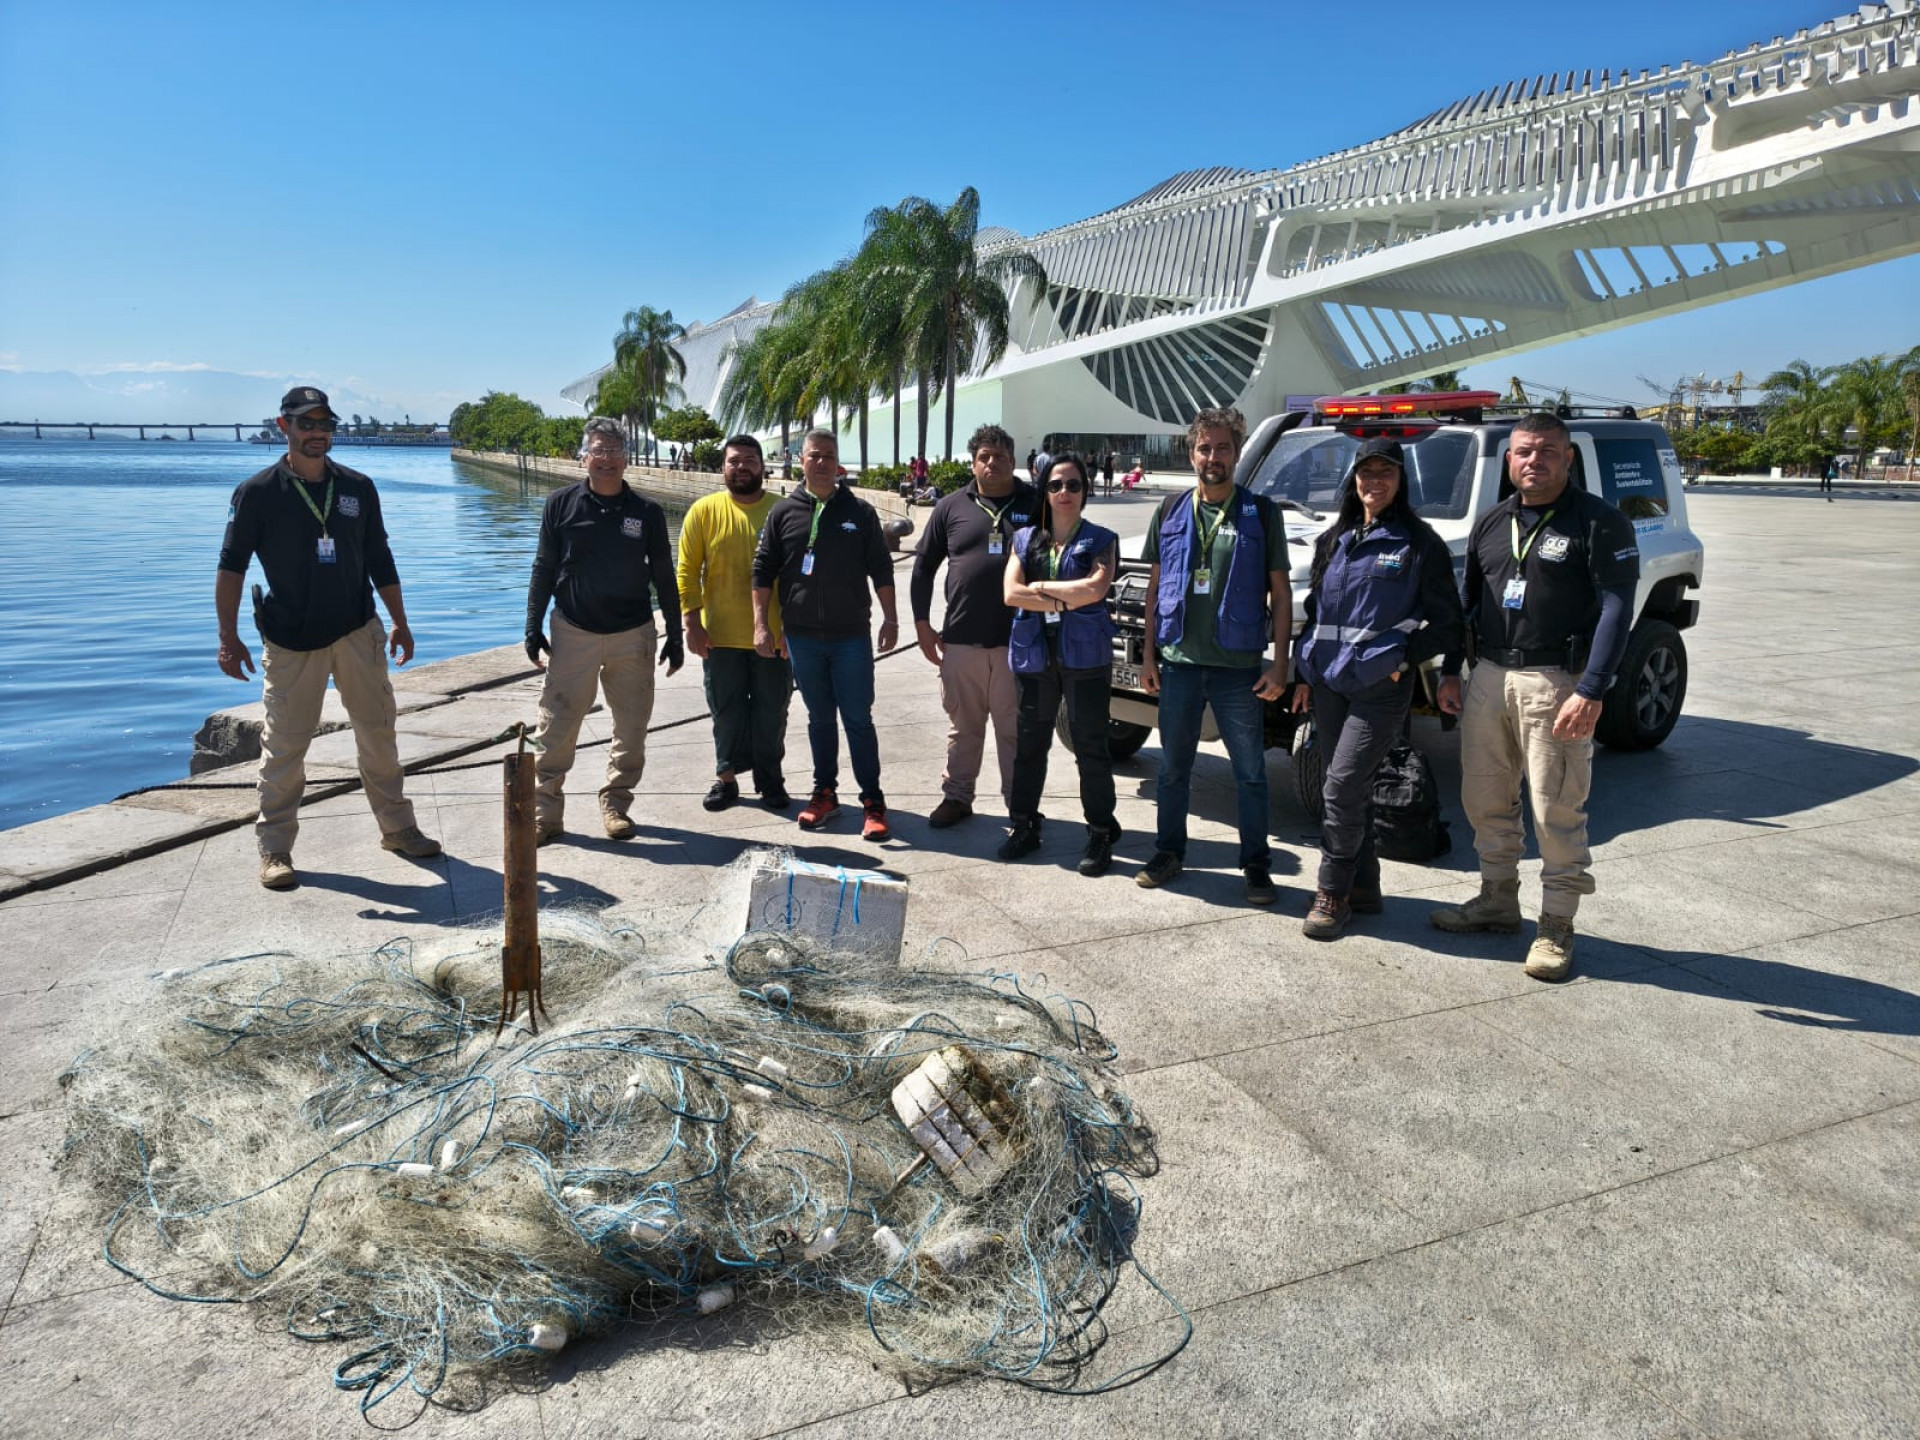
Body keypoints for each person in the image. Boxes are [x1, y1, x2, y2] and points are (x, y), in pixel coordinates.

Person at [1428, 412, 1640, 981]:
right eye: (1524, 451)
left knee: (1555, 809)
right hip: (1489, 678)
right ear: (1509, 460)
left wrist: (1593, 688)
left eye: (1547, 451)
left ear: (1568, 459)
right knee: (1484, 798)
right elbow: (1468, 605)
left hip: (1558, 684)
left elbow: (1619, 609)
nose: (1534, 460)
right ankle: (1498, 900)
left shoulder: (1599, 522)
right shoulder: (1493, 522)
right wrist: (1452, 670)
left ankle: (1556, 924)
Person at [215, 385, 441, 890]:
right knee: (286, 747)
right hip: (293, 640)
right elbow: (231, 568)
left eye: (325, 425)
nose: (317, 434)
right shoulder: (257, 493)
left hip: (358, 631)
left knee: (378, 733)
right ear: (284, 428)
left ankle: (398, 828)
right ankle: (275, 848)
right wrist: (228, 637)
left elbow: (380, 558)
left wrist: (400, 621)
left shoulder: (358, 488)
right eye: (307, 424)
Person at [1288, 438, 1464, 938]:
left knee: (1340, 785)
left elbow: (1449, 622)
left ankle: (1332, 892)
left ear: (1400, 480)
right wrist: (1304, 671)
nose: (1374, 482)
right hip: (1329, 683)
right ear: (1354, 480)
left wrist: (1400, 659)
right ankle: (1363, 887)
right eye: (1366, 473)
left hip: (1381, 688)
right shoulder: (1336, 539)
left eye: (1385, 473)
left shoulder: (1418, 543)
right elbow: (1320, 616)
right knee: (1349, 789)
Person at [1137, 407, 1290, 902]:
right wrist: (1148, 656)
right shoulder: (1171, 510)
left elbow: (1281, 594)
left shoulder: (1261, 513)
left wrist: (1281, 662)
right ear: (1191, 452)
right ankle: (1168, 852)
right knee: (1172, 770)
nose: (1213, 457)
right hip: (1179, 664)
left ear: (1237, 451)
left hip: (1237, 670)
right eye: (1205, 447)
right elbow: (1155, 588)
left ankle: (1255, 865)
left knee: (1249, 773)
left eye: (1223, 447)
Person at [523, 417, 684, 844]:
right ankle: (545, 813)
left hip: (633, 633)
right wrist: (532, 625)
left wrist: (676, 632)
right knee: (555, 726)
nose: (606, 459)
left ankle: (616, 801)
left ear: (626, 459)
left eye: (614, 451)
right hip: (573, 630)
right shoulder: (560, 505)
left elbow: (665, 575)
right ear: (584, 457)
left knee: (631, 727)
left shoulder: (646, 512)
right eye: (598, 450)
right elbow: (543, 567)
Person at [752, 428, 900, 840]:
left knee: (857, 718)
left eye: (829, 456)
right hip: (801, 637)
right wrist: (762, 624)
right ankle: (825, 793)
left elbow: (881, 569)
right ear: (801, 460)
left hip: (851, 635)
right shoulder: (783, 513)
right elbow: (762, 569)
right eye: (814, 455)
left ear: (839, 464)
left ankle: (873, 800)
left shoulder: (861, 512)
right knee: (819, 719)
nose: (821, 463)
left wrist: (890, 618)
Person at [910, 424, 1040, 830]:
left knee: (1013, 730)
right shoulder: (950, 506)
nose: (992, 462)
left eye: (1000, 456)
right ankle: (957, 797)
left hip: (1017, 641)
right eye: (984, 456)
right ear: (973, 461)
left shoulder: (1036, 504)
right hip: (960, 639)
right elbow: (923, 567)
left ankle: (1020, 807)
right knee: (963, 728)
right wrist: (922, 624)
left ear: (1013, 461)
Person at [999, 452, 1122, 875]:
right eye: (1055, 485)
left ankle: (1101, 832)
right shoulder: (1025, 538)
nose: (1064, 492)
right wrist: (1062, 597)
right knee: (1030, 745)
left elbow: (1095, 588)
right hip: (1035, 655)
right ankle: (1024, 825)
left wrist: (1043, 587)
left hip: (1085, 656)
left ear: (1085, 491)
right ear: (1044, 491)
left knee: (1091, 746)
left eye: (1072, 484)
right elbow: (1011, 594)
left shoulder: (1101, 539)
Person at [677, 433, 790, 813]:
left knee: (772, 710)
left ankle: (770, 781)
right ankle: (726, 780)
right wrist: (692, 622)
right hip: (720, 635)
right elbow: (687, 570)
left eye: (749, 461)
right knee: (724, 710)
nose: (741, 467)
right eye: (733, 461)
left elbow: (797, 577)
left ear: (763, 467)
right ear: (722, 468)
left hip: (773, 636)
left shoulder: (783, 511)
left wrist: (792, 628)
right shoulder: (703, 511)